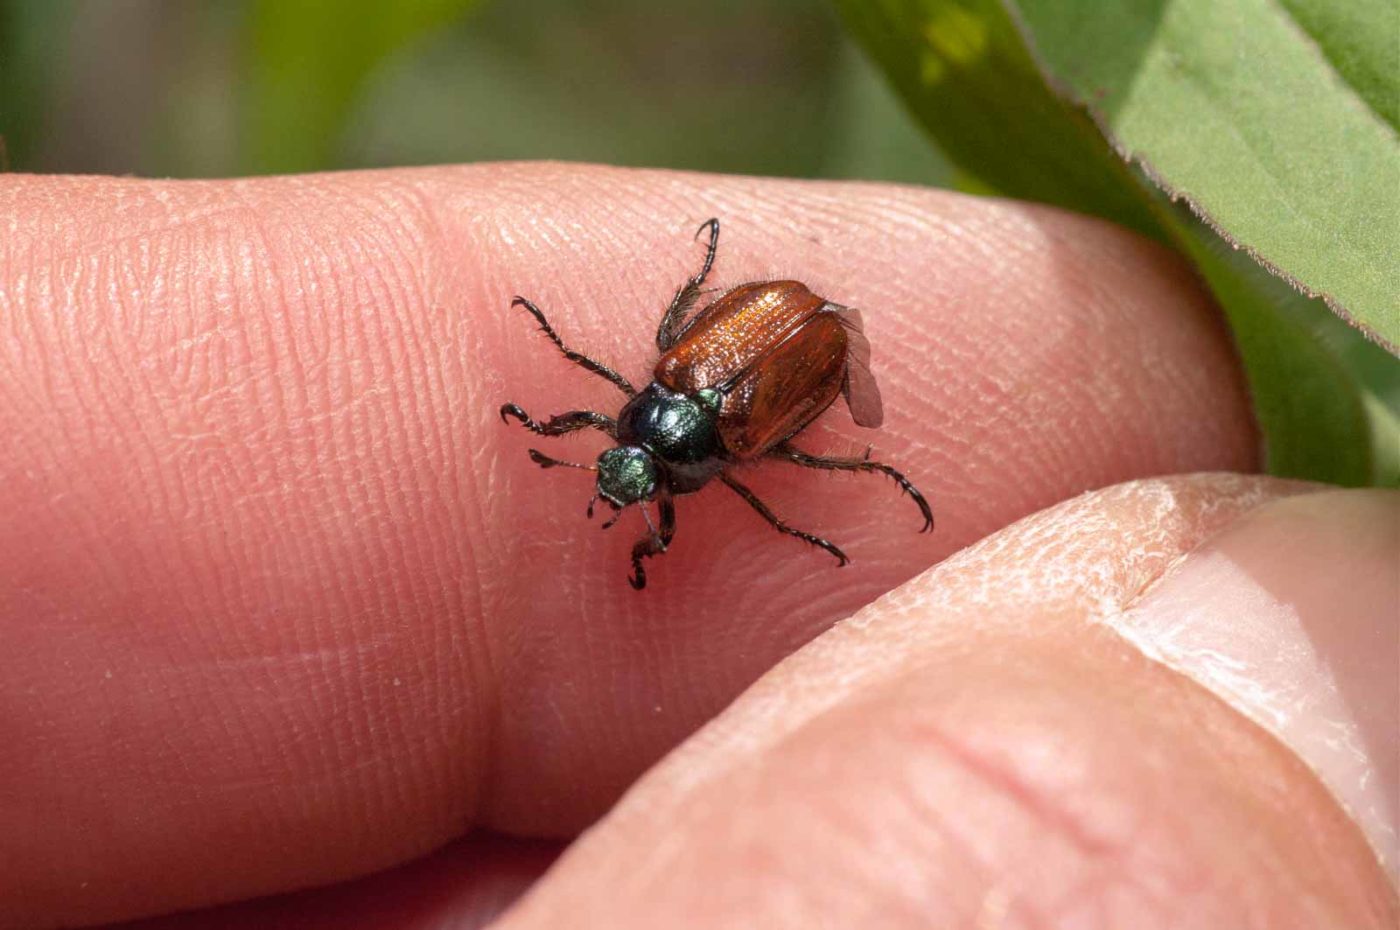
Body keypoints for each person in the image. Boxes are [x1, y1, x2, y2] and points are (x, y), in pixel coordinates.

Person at [2, 165, 1394, 929]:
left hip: (785, 332)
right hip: (770, 332)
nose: (615, 485)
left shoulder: (691, 430)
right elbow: (678, 432)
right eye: (624, 482)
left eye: (619, 475)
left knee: (784, 483)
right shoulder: (665, 428)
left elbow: (758, 471)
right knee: (756, 463)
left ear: (638, 431)